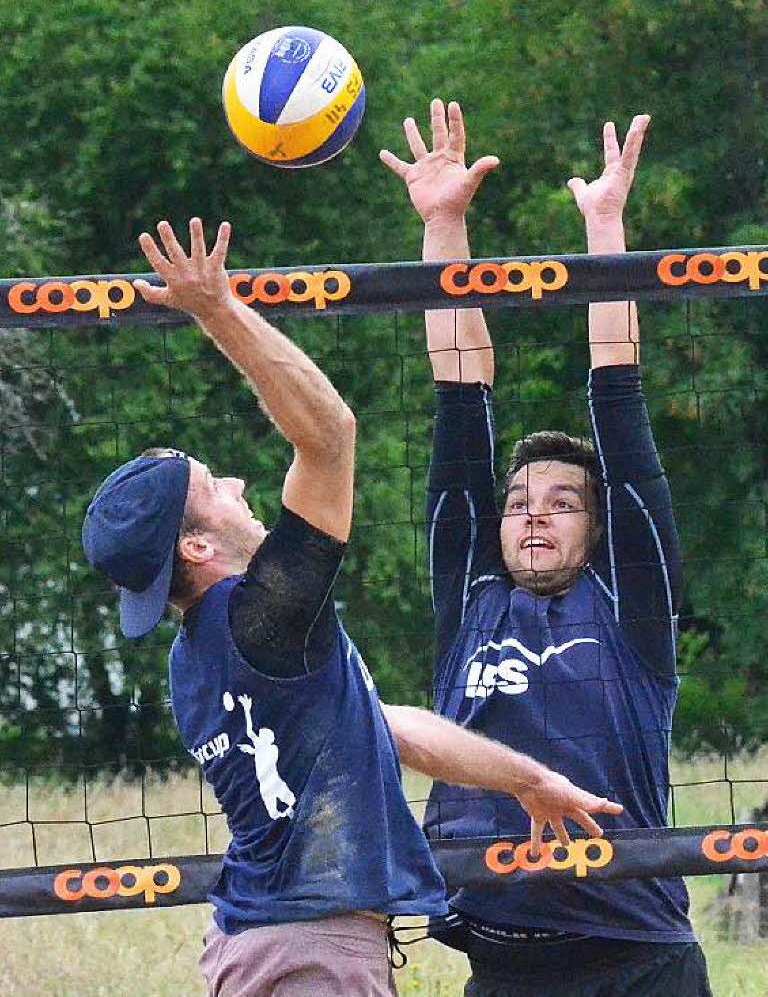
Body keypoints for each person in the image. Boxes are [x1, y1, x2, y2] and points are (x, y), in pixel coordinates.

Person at [81, 216, 622, 997]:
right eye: (214, 486)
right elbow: (330, 435)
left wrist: (527, 781)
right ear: (195, 549)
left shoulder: (193, 656)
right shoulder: (265, 617)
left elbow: (390, 726)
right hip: (312, 955)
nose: (236, 486)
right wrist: (216, 308)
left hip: (265, 943)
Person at [381, 101, 713, 995]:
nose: (533, 515)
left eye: (563, 503)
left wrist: (605, 230)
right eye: (520, 503)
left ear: (597, 531)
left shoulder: (628, 606)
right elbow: (460, 402)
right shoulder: (473, 604)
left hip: (637, 959)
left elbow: (620, 406)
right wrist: (444, 225)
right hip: (502, 957)